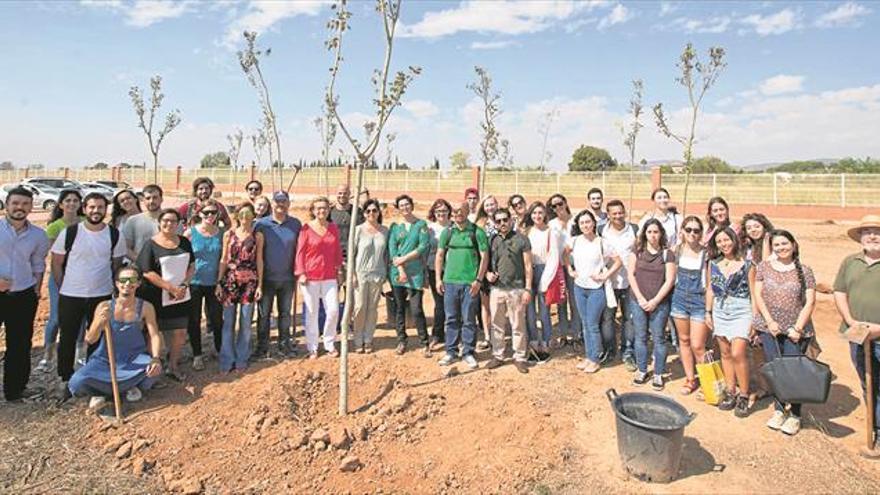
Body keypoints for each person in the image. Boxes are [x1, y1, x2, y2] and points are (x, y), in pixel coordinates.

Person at [51, 192, 127, 398]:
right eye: (92, 207)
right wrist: (63, 286)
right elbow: (56, 263)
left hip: (100, 295)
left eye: (100, 207)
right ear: (84, 209)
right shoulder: (70, 233)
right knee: (67, 337)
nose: (96, 211)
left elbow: (116, 264)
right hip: (70, 295)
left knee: (98, 338)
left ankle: (93, 379)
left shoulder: (114, 235)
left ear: (106, 209)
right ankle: (64, 379)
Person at [68, 266, 163, 411]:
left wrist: (156, 358)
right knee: (76, 382)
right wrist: (99, 323)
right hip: (105, 361)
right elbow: (90, 339)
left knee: (153, 373)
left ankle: (115, 389)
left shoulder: (146, 307)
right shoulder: (104, 307)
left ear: (138, 283)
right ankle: (110, 391)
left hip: (134, 359)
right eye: (123, 280)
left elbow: (154, 334)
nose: (127, 284)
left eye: (132, 280)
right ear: (117, 283)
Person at [754, 230, 816, 436]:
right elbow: (758, 295)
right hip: (769, 328)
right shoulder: (764, 267)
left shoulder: (805, 271)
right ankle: (780, 409)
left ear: (794, 244)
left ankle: (795, 414)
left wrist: (797, 328)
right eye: (776, 245)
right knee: (776, 370)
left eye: (784, 243)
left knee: (794, 372)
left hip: (795, 331)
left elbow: (810, 302)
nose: (781, 248)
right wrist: (769, 322)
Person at [833, 215, 880, 458]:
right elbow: (840, 291)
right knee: (867, 382)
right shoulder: (849, 262)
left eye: (877, 231)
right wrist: (851, 321)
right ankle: (876, 427)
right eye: (868, 231)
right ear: (860, 236)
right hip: (857, 333)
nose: (873, 236)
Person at [0, 187, 49, 402]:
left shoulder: (38, 235)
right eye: (16, 203)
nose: (20, 208)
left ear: (31, 207)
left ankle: (15, 390)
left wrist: (36, 289)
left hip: (23, 296)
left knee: (19, 345)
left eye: (25, 204)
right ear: (7, 205)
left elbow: (38, 263)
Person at [137, 208, 195, 382]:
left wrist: (183, 285)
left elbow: (191, 265)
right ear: (159, 223)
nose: (169, 224)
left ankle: (173, 365)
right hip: (155, 297)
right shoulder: (150, 244)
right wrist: (170, 288)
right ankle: (152, 372)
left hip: (180, 296)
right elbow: (147, 272)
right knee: (153, 333)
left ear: (178, 224)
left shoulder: (184, 242)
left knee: (180, 332)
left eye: (173, 221)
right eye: (166, 220)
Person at [706, 227, 756, 418]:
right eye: (719, 242)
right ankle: (730, 391)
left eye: (726, 240)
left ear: (734, 240)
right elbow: (710, 288)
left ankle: (744, 394)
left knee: (738, 353)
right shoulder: (714, 263)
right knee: (725, 353)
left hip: (741, 309)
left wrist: (754, 318)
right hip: (720, 310)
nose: (723, 244)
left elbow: (753, 293)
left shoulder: (748, 265)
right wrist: (708, 312)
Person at [435, 200, 489, 369]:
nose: (458, 213)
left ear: (467, 211)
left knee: (468, 319)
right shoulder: (447, 232)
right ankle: (451, 351)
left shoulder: (477, 232)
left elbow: (484, 256)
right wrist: (438, 278)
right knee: (451, 318)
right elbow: (439, 255)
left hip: (469, 283)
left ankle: (468, 352)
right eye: (455, 210)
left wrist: (478, 280)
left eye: (461, 210)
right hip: (450, 282)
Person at [566, 210, 621, 374]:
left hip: (596, 290)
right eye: (582, 223)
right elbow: (565, 255)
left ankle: (596, 358)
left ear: (593, 223)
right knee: (584, 323)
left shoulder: (601, 242)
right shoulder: (574, 241)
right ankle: (589, 357)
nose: (585, 225)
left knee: (592, 324)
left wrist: (605, 275)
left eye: (587, 222)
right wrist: (570, 269)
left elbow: (618, 261)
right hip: (579, 287)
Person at [36, 189, 83, 373]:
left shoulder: (86, 223)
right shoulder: (55, 227)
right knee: (56, 317)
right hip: (60, 277)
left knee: (81, 318)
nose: (71, 203)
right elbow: (53, 258)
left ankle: (80, 355)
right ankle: (48, 355)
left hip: (81, 277)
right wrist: (60, 281)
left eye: (75, 200)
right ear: (61, 204)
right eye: (67, 200)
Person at [627, 219, 677, 390]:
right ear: (644, 233)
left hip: (660, 303)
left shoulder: (667, 254)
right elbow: (631, 275)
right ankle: (642, 370)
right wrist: (641, 299)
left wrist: (655, 301)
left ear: (661, 233)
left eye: (656, 232)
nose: (653, 235)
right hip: (638, 300)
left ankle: (658, 373)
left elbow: (670, 280)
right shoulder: (637, 251)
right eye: (649, 232)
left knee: (659, 338)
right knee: (640, 337)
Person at [217, 202, 264, 371]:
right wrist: (219, 282)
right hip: (230, 282)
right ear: (237, 216)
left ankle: (242, 356)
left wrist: (260, 285)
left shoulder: (257, 236)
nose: (245, 217)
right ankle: (227, 359)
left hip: (250, 282)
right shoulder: (228, 235)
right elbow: (223, 259)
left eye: (248, 213)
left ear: (253, 216)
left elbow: (259, 260)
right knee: (228, 322)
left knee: (245, 323)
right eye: (241, 214)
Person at [254, 191, 302, 358]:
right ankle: (262, 347)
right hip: (266, 278)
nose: (280, 204)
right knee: (263, 315)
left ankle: (284, 344)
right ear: (272, 204)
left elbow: (301, 250)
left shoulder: (296, 224)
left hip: (288, 279)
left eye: (284, 201)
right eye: (277, 201)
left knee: (285, 314)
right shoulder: (261, 225)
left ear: (289, 203)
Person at [485, 207, 532, 374]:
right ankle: (498, 355)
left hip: (516, 289)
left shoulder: (522, 239)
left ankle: (519, 357)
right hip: (497, 289)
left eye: (505, 220)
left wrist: (527, 288)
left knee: (518, 324)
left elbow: (528, 266)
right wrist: (488, 274)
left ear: (511, 220)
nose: (502, 223)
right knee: (497, 324)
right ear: (495, 223)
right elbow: (487, 263)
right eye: (498, 221)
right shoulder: (492, 240)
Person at [296, 197, 343, 359]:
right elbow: (300, 252)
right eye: (318, 208)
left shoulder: (333, 228)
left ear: (329, 210)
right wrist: (301, 272)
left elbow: (337, 250)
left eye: (324, 208)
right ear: (313, 211)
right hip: (310, 276)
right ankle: (313, 346)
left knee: (333, 310)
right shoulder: (306, 229)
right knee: (312, 312)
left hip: (329, 275)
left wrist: (339, 269)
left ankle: (329, 342)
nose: (321, 211)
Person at [671, 216, 710, 396]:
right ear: (682, 232)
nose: (692, 234)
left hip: (699, 300)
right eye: (688, 230)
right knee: (684, 340)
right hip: (679, 299)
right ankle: (690, 378)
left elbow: (709, 283)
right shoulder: (676, 250)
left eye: (696, 230)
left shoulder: (707, 253)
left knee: (698, 345)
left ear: (701, 233)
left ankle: (706, 381)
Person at [183, 198, 224, 370]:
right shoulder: (190, 233)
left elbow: (224, 258)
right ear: (199, 214)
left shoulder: (222, 233)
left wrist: (221, 281)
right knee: (194, 319)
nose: (209, 215)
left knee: (216, 319)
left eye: (213, 212)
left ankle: (220, 349)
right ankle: (197, 354)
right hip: (194, 282)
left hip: (214, 283)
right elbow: (183, 256)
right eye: (206, 212)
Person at [388, 194, 431, 356]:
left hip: (415, 273)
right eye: (401, 205)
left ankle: (424, 342)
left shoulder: (421, 225)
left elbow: (423, 246)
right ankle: (401, 341)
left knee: (417, 309)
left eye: (407, 204)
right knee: (399, 308)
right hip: (398, 273)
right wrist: (399, 268)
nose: (405, 207)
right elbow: (392, 249)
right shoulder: (394, 227)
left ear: (411, 206)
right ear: (398, 208)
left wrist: (404, 259)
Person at [599, 200, 638, 368]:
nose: (617, 216)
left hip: (630, 283)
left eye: (620, 212)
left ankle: (628, 351)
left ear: (625, 212)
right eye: (614, 213)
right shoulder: (601, 231)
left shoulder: (634, 230)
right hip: (609, 283)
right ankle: (609, 350)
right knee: (607, 318)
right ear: (608, 214)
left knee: (629, 319)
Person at [521, 201, 561, 355]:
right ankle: (532, 340)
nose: (537, 216)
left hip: (545, 271)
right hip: (529, 270)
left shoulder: (551, 232)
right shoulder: (526, 231)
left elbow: (554, 256)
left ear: (545, 214)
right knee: (529, 309)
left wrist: (546, 279)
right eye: (534, 213)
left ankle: (545, 340)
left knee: (544, 309)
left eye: (540, 213)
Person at [351, 199, 388, 353]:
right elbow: (352, 254)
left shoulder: (385, 231)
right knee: (360, 306)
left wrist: (385, 271)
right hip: (361, 273)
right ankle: (357, 338)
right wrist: (352, 274)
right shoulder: (358, 230)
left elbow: (386, 254)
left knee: (372, 307)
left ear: (379, 212)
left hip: (377, 273)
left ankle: (368, 339)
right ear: (364, 213)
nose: (371, 213)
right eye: (368, 211)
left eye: (374, 210)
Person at [547, 193, 581, 344]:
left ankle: (576, 334)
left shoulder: (577, 221)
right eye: (554, 206)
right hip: (559, 266)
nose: (558, 207)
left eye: (560, 203)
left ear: (566, 203)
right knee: (561, 301)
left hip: (576, 266)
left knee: (575, 301)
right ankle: (563, 334)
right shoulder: (551, 224)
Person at [474, 195, 500, 352]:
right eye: (487, 205)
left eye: (492, 204)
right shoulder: (479, 225)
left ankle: (499, 336)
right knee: (485, 305)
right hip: (485, 269)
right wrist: (485, 273)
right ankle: (487, 337)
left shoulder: (504, 221)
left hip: (501, 269)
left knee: (499, 306)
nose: (490, 207)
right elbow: (477, 252)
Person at [426, 199, 452, 350]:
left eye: (444, 211)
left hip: (452, 269)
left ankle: (451, 331)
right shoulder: (430, 229)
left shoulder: (454, 228)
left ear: (449, 211)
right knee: (440, 303)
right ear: (434, 213)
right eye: (438, 211)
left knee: (452, 303)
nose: (441, 214)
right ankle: (437, 333)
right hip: (433, 269)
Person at [122, 184, 163, 263]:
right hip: (140, 269)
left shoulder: (172, 221)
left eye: (155, 197)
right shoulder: (133, 221)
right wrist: (141, 261)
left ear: (161, 199)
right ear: (143, 200)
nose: (151, 201)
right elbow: (126, 248)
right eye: (148, 198)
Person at [330, 184, 362, 263]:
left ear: (349, 194)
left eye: (345, 193)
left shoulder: (358, 212)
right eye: (340, 193)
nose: (342, 195)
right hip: (334, 256)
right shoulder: (329, 213)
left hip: (352, 256)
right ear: (336, 194)